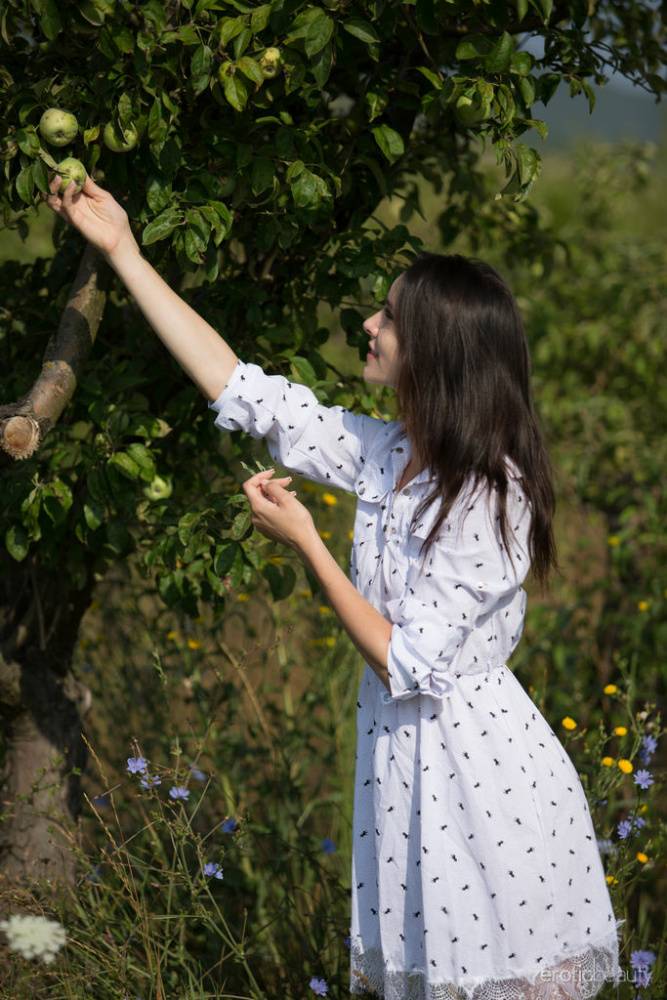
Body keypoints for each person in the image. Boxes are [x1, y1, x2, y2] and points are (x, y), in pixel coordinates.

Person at [44, 175, 624, 1000]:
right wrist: (125, 253)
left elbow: (408, 661)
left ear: (435, 351)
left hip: (478, 783)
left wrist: (308, 543)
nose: (368, 324)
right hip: (404, 771)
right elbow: (244, 390)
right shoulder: (389, 453)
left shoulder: (492, 495)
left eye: (388, 317)